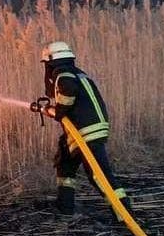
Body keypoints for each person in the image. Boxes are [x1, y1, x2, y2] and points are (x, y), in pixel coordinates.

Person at [35, 41, 133, 219]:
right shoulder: (77, 72)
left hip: (86, 131)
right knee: (64, 162)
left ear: (51, 62)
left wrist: (58, 111)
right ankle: (65, 206)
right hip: (84, 130)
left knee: (99, 175)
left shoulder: (62, 72)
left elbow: (68, 91)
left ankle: (124, 213)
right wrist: (51, 110)